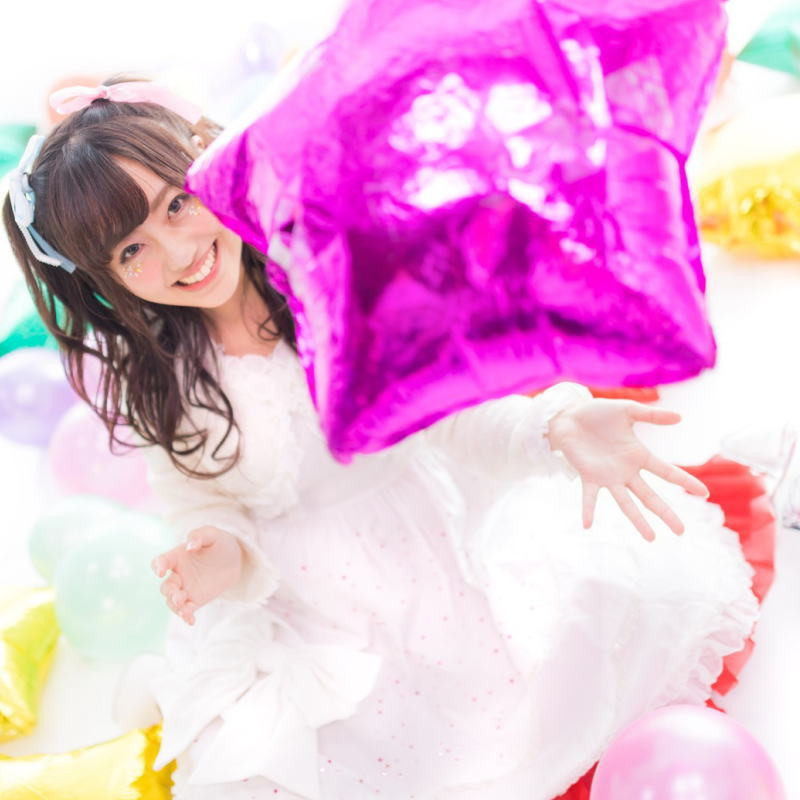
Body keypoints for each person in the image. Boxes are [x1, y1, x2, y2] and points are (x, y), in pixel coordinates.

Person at [3, 78, 760, 800]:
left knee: (553, 656)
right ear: (104, 279)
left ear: (211, 166)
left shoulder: (330, 284)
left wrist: (550, 427)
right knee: (286, 758)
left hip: (435, 546)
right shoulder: (162, 383)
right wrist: (219, 556)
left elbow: (453, 415)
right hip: (312, 603)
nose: (176, 253)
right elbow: (207, 504)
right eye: (131, 251)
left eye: (176, 205)